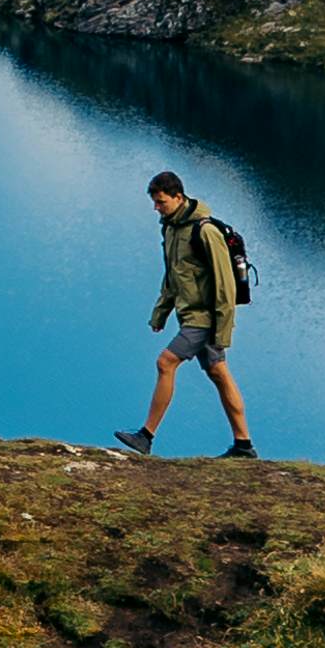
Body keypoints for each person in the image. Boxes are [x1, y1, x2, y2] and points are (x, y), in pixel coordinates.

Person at [114, 169, 254, 458]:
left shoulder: (205, 231)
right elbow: (173, 276)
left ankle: (146, 436)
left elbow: (225, 285)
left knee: (165, 363)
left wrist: (222, 332)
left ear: (178, 197)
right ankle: (244, 445)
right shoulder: (170, 228)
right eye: (154, 202)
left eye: (161, 202)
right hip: (190, 317)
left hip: (205, 320)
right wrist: (160, 314)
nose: (156, 208)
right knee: (219, 373)